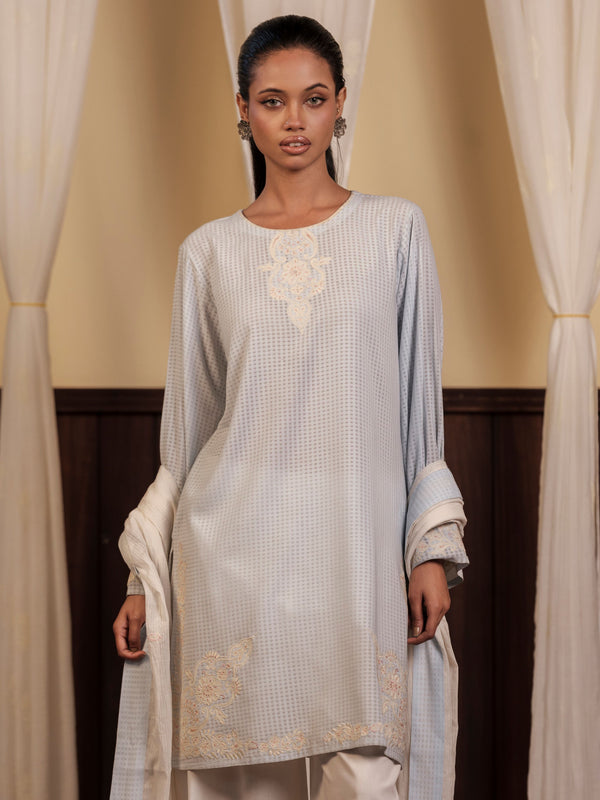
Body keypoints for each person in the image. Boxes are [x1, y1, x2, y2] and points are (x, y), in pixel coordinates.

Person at [111, 15, 468, 800]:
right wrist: (143, 580)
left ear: (340, 103)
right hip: (233, 556)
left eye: (313, 98)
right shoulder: (208, 253)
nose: (295, 119)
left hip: (358, 555)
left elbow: (418, 401)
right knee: (244, 779)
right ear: (243, 109)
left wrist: (430, 549)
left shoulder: (395, 231)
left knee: (366, 773)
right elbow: (189, 432)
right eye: (273, 101)